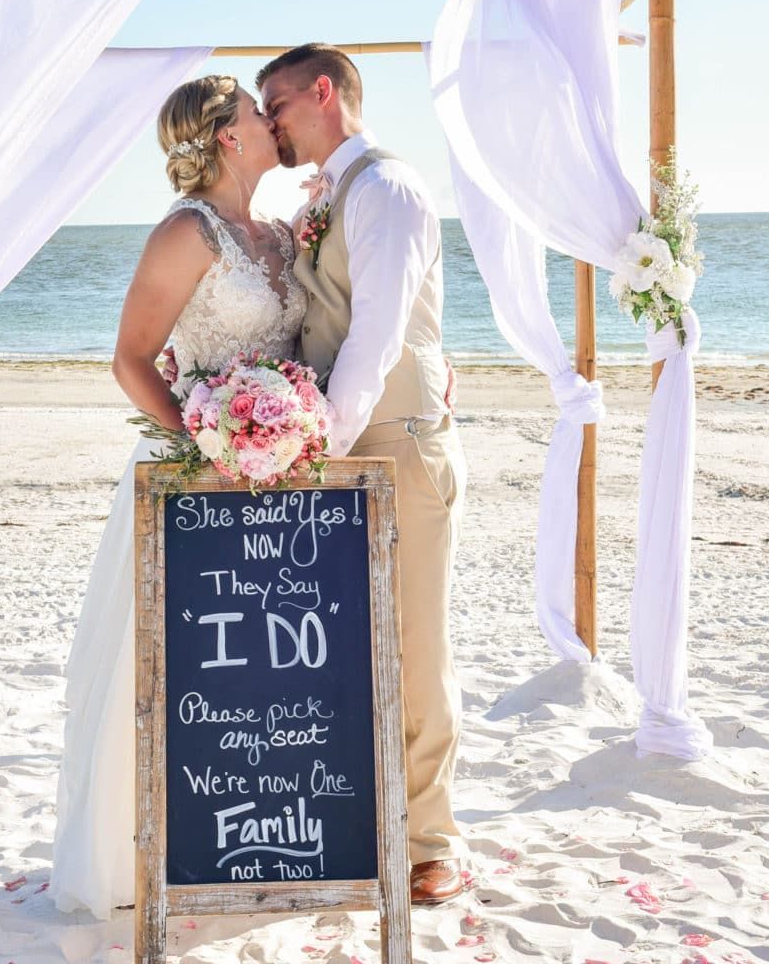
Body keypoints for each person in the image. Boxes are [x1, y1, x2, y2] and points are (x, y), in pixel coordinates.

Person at [50, 74, 305, 918]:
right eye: (256, 114)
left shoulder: (275, 232)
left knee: (268, 668)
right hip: (201, 477)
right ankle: (155, 849)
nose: (272, 122)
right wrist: (204, 445)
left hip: (276, 477)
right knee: (183, 665)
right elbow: (131, 358)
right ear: (229, 137)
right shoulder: (185, 233)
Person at [258, 44, 468, 908]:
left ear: (322, 92)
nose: (268, 121)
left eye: (276, 103)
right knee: (346, 640)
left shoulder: (387, 189)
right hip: (343, 435)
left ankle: (432, 840)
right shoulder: (327, 196)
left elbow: (378, 334)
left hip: (391, 439)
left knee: (415, 639)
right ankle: (362, 816)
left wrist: (317, 448)